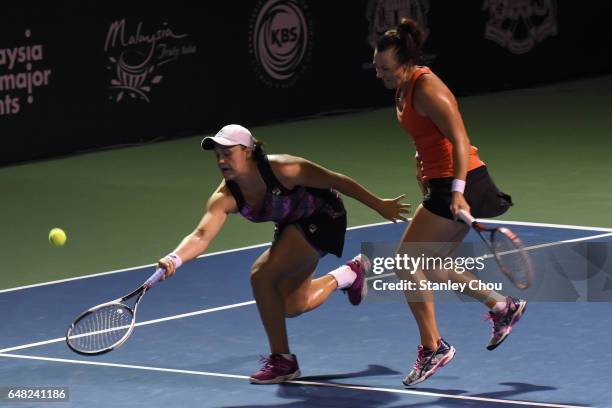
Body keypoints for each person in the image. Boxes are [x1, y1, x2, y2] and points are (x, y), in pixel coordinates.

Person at [155, 124, 410, 384]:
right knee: (291, 305)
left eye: (228, 153)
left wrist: (379, 204)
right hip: (291, 225)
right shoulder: (225, 196)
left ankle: (283, 361)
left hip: (325, 217)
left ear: (248, 152)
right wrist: (175, 258)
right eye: (217, 154)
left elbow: (336, 180)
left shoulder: (285, 168)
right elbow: (201, 235)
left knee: (261, 275)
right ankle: (350, 273)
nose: (221, 160)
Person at [370, 18, 527, 386]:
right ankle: (502, 306)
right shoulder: (403, 85)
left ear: (406, 61)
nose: (380, 74)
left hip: (462, 180)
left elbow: (459, 139)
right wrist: (420, 164)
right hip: (443, 179)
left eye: (386, 68)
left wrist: (456, 191)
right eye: (376, 67)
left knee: (406, 260)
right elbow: (426, 135)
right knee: (432, 262)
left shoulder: (428, 89)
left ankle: (434, 347)